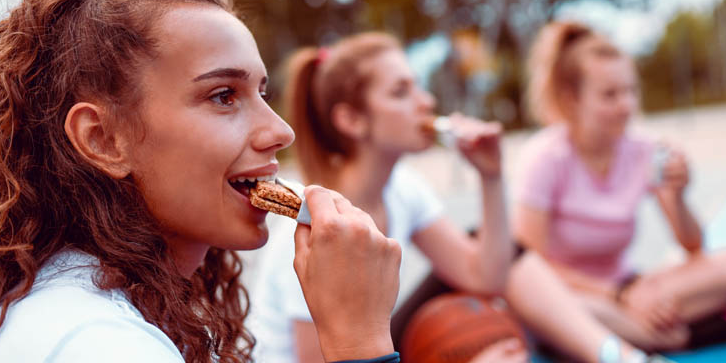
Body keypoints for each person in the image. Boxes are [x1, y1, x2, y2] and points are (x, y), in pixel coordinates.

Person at [0, 0, 403, 363]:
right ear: (104, 139)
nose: (281, 131)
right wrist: (358, 341)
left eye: (262, 93)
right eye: (224, 95)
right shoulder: (95, 344)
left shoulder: (111, 305)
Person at [251, 32, 671, 363]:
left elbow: (487, 277)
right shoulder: (312, 225)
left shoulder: (403, 187)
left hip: (367, 345)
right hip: (345, 355)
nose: (427, 102)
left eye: (418, 86)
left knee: (496, 255)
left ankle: (619, 352)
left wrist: (491, 177)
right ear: (351, 119)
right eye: (401, 92)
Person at [514, 21, 726, 352]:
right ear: (572, 99)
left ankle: (621, 335)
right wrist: (619, 296)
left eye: (630, 91)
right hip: (572, 293)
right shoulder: (544, 158)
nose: (627, 104)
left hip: (633, 287)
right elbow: (528, 266)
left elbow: (693, 245)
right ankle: (675, 336)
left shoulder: (646, 151)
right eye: (610, 95)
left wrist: (679, 196)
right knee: (564, 309)